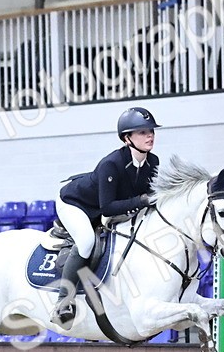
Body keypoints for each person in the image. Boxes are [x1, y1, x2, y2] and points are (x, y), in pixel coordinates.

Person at [51, 107, 162, 326]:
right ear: (127, 138)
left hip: (104, 206)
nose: (149, 135)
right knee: (85, 242)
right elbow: (108, 208)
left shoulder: (153, 162)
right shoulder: (111, 164)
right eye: (142, 132)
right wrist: (141, 201)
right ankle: (63, 302)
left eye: (151, 131)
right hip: (75, 203)